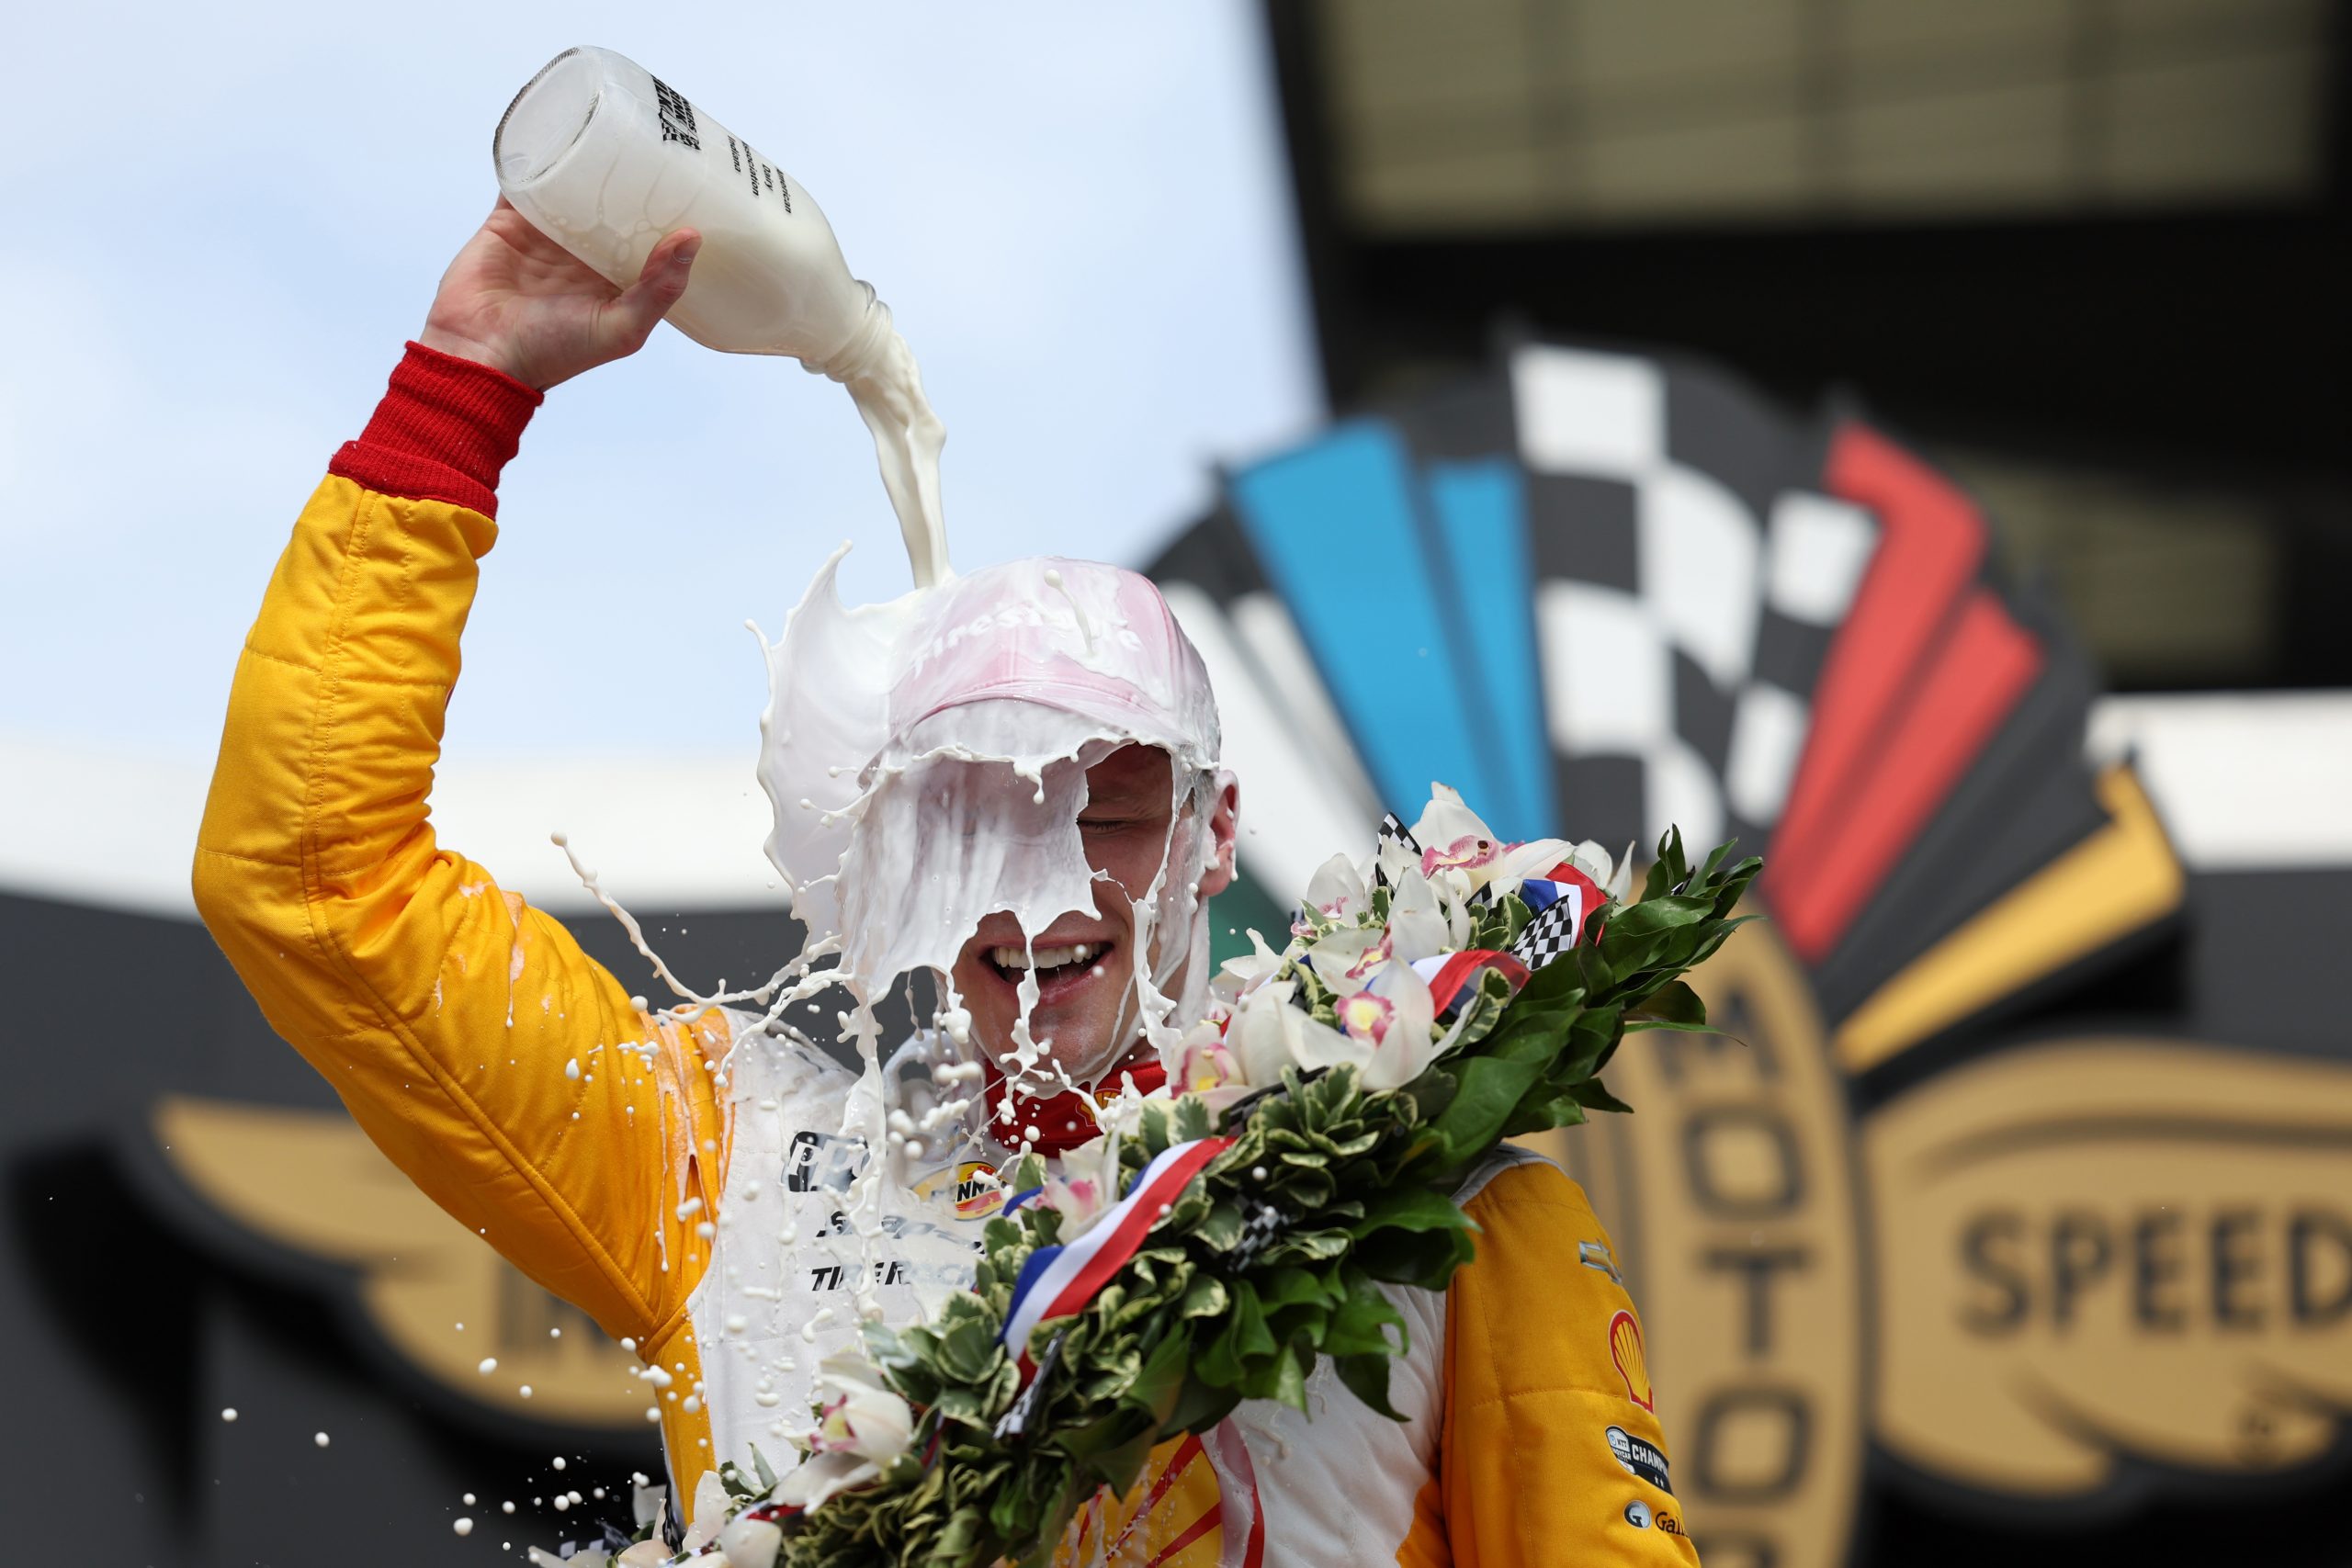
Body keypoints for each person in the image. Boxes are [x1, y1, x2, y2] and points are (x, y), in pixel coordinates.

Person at [192, 197, 1698, 1566]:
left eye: (1107, 808)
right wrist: (467, 382)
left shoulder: (1449, 1202)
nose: (1039, 892)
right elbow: (313, 884)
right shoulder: (723, 1166)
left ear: (1216, 831)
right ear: (886, 843)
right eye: (970, 814)